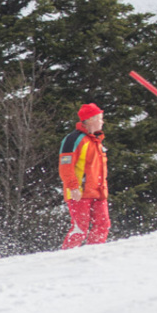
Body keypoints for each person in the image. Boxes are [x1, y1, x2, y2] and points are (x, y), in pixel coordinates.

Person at [59, 102, 110, 249]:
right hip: (79, 192)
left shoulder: (96, 141)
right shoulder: (74, 139)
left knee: (103, 224)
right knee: (80, 228)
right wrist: (73, 187)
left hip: (98, 192)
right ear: (90, 120)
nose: (102, 122)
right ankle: (67, 255)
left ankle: (93, 253)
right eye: (100, 118)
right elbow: (65, 166)